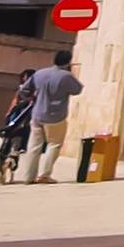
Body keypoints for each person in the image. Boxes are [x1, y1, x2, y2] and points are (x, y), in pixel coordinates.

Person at [17, 53, 80, 184]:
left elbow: (24, 90)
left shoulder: (40, 73)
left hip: (37, 114)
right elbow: (77, 90)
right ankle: (44, 175)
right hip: (56, 116)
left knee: (34, 145)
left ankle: (28, 176)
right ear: (68, 62)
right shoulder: (66, 76)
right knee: (54, 144)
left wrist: (32, 98)